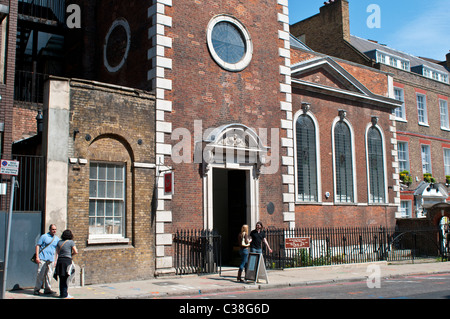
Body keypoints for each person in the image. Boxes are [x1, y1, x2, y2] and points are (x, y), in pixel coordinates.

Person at [34, 224, 60, 295]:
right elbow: (38, 246)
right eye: (53, 229)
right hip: (43, 258)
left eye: (55, 229)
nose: (54, 231)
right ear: (50, 229)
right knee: (40, 274)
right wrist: (37, 257)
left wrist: (56, 260)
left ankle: (47, 289)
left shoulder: (57, 239)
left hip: (51, 259)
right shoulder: (44, 236)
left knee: (49, 274)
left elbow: (57, 250)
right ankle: (37, 289)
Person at [54, 229, 78, 299]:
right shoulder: (71, 242)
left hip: (60, 261)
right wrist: (71, 255)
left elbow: (57, 252)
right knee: (66, 278)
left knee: (61, 278)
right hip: (67, 261)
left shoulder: (59, 242)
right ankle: (65, 294)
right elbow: (76, 251)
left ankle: (62, 293)